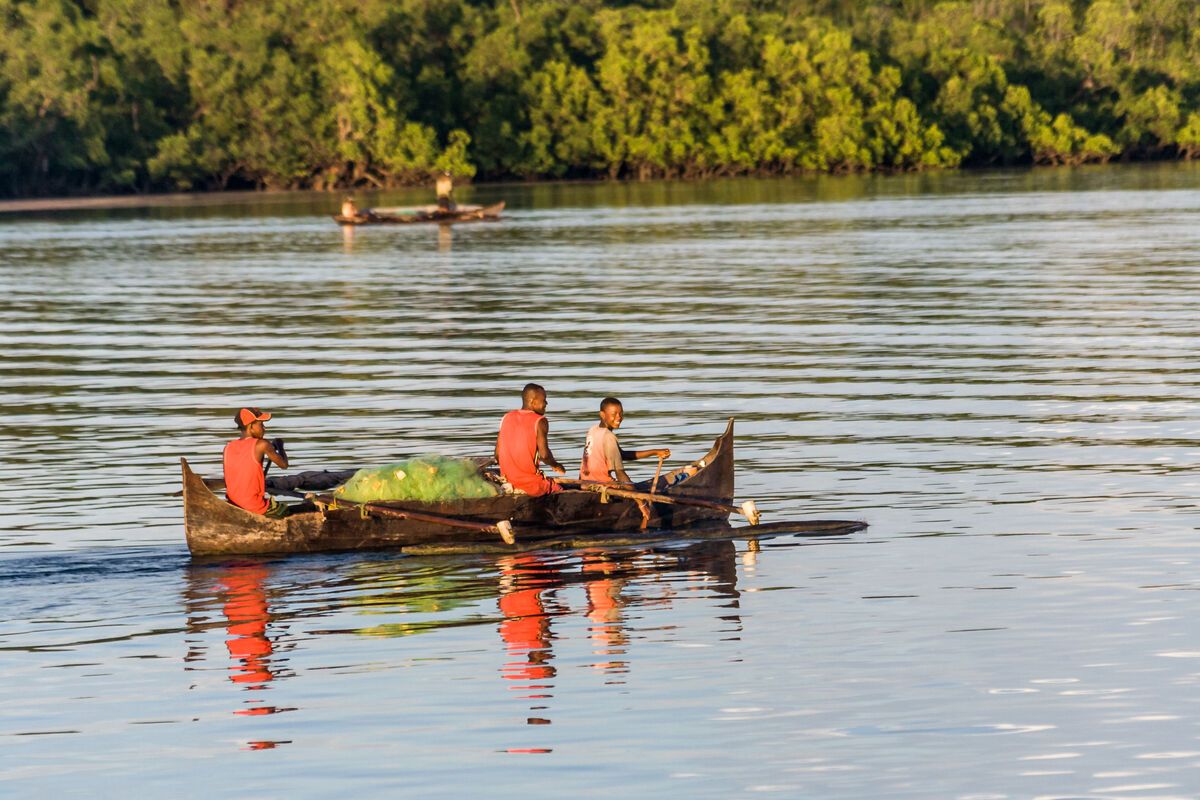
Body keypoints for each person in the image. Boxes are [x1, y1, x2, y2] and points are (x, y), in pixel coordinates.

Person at [580, 397, 670, 486]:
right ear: (602, 415)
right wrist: (635, 494)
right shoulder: (609, 436)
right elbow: (619, 472)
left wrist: (655, 452)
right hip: (602, 486)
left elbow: (621, 455)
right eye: (614, 414)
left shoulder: (593, 430)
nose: (619, 417)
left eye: (621, 414)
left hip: (584, 483)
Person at [494, 384, 565, 496]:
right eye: (544, 400)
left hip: (507, 482)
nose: (546, 403)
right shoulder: (540, 421)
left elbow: (497, 455)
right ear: (533, 401)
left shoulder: (506, 417)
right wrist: (556, 465)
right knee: (560, 491)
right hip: (531, 486)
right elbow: (544, 456)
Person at [223, 407, 290, 517]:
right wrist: (280, 446)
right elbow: (284, 465)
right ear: (250, 426)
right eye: (261, 424)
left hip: (233, 504)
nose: (264, 428)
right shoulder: (262, 444)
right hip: (255, 507)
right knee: (287, 510)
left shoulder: (228, 448)